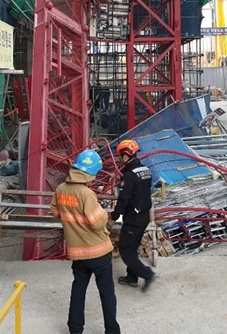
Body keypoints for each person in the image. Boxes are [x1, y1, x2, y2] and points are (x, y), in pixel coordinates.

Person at [50, 149, 121, 334]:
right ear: (89, 173)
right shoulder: (86, 194)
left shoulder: (61, 190)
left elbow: (56, 213)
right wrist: (104, 211)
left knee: (78, 290)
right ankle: (112, 330)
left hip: (77, 252)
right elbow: (98, 223)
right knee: (106, 292)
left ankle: (75, 329)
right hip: (98, 251)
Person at [110, 139, 156, 291]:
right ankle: (132, 278)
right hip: (143, 216)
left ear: (125, 156)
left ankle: (147, 274)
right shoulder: (145, 171)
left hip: (133, 219)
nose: (120, 160)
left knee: (125, 249)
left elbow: (124, 198)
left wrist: (115, 215)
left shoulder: (129, 175)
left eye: (120, 156)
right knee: (132, 247)